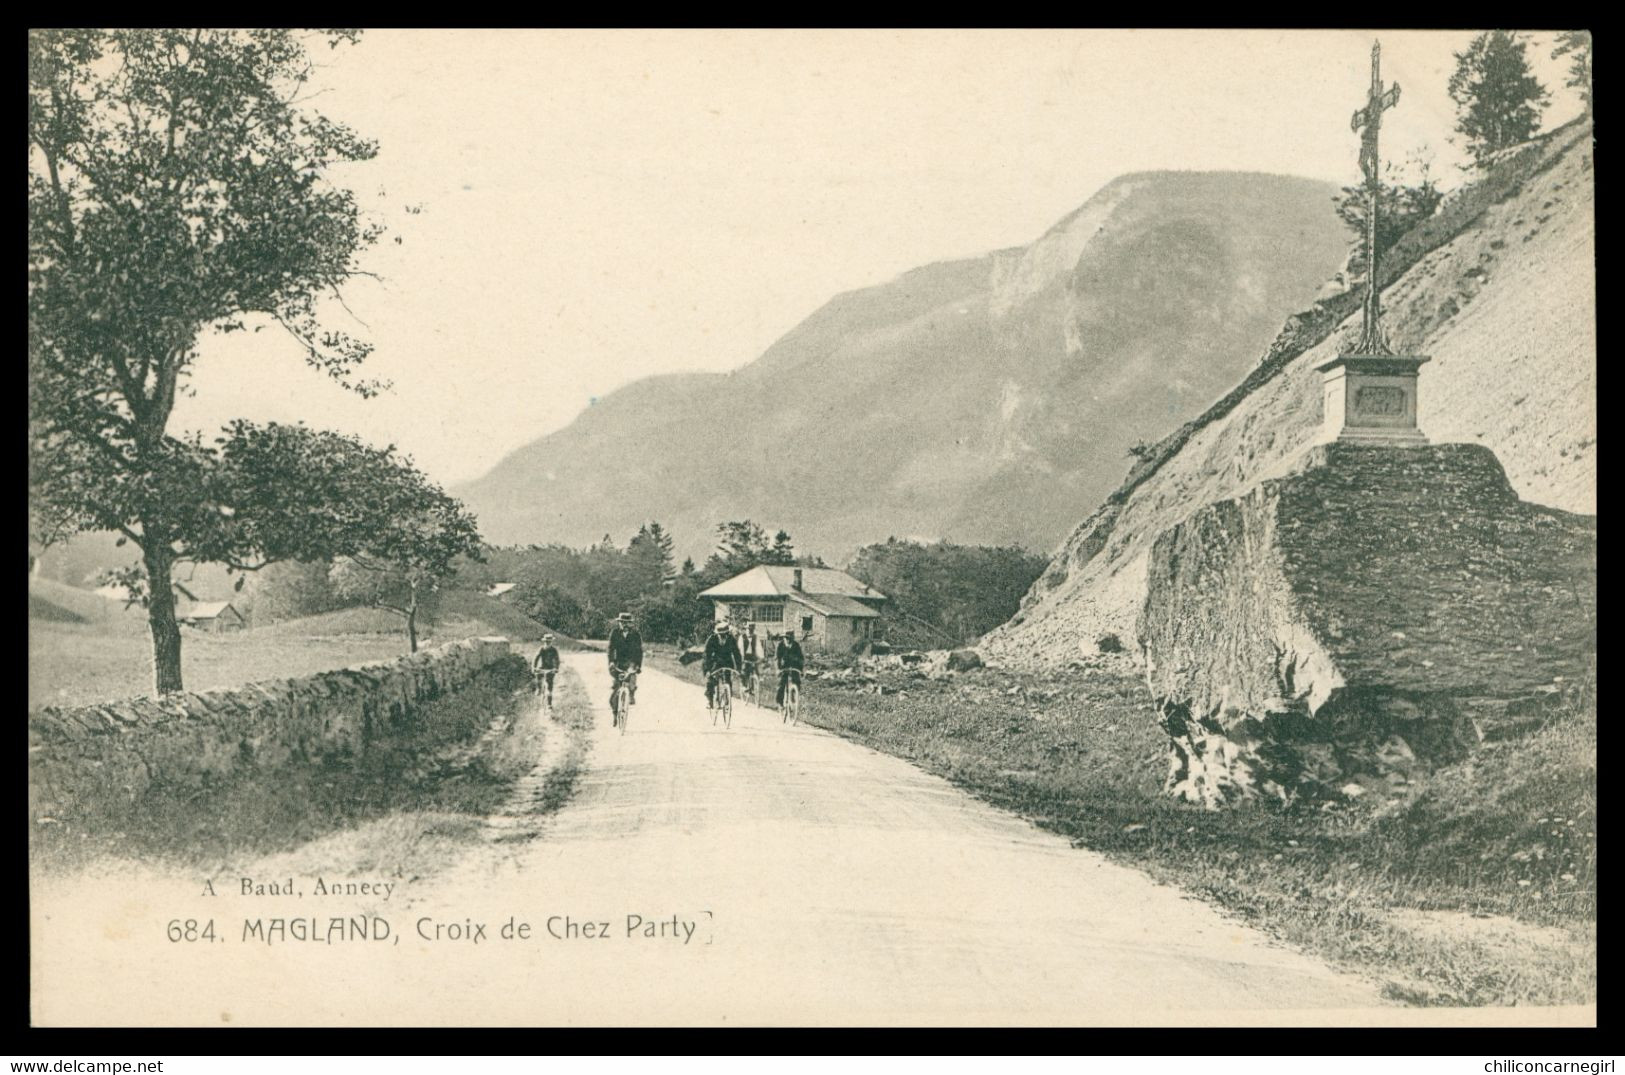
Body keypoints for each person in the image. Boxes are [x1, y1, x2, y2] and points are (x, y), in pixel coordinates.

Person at [703, 620, 742, 710]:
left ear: (727, 633)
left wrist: (738, 668)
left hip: (727, 662)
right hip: (715, 661)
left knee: (727, 680)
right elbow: (706, 655)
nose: (723, 636)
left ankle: (727, 700)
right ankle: (710, 700)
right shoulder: (712, 639)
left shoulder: (731, 639)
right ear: (717, 633)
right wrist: (707, 669)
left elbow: (736, 654)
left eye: (725, 634)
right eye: (721, 634)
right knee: (711, 680)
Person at [607, 611, 643, 708]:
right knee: (616, 686)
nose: (625, 625)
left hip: (631, 661)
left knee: (631, 676)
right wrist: (611, 662)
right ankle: (616, 709)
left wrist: (638, 665)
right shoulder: (614, 633)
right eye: (622, 622)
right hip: (618, 661)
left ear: (631, 623)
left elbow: (639, 651)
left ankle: (631, 693)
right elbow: (611, 649)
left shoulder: (636, 635)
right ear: (619, 623)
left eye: (627, 622)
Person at [776, 630, 805, 708]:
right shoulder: (781, 645)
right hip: (784, 667)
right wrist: (778, 669)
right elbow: (777, 658)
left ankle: (793, 697)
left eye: (789, 638)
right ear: (784, 638)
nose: (787, 640)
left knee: (797, 681)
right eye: (786, 638)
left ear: (792, 638)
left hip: (794, 666)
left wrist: (801, 670)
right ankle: (780, 702)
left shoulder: (796, 645)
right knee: (782, 683)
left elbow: (801, 658)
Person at [532, 634, 560, 707]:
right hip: (542, 667)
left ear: (551, 642)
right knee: (538, 675)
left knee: (549, 685)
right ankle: (538, 688)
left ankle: (549, 704)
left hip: (550, 668)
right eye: (546, 642)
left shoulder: (554, 650)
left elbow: (557, 660)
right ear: (544, 642)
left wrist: (556, 668)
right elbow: (536, 658)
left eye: (549, 641)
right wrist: (534, 667)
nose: (548, 643)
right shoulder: (541, 649)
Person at [740, 622, 765, 696]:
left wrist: (761, 657)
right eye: (749, 629)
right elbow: (740, 648)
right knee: (744, 670)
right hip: (744, 656)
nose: (750, 631)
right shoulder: (742, 637)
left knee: (756, 668)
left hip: (753, 656)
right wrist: (742, 658)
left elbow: (758, 647)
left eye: (752, 630)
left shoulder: (755, 637)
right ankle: (744, 685)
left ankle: (754, 686)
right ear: (746, 629)